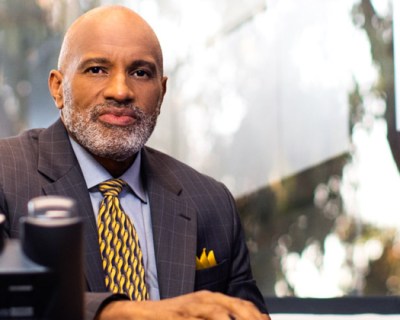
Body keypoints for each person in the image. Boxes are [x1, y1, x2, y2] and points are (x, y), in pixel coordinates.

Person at [1, 5, 270, 320]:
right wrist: (118, 314)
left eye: (140, 72)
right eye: (97, 69)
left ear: (162, 91)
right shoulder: (6, 174)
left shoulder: (211, 203)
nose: (120, 91)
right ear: (58, 88)